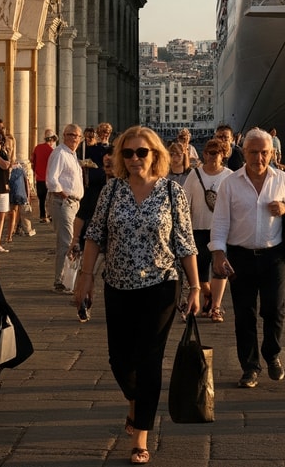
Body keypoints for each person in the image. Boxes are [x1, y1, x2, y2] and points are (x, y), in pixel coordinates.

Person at [73, 126, 199, 465]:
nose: (133, 159)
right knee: (119, 360)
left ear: (155, 155)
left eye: (141, 152)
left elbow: (185, 243)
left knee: (150, 361)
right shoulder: (111, 191)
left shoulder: (173, 192)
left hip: (161, 286)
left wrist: (196, 287)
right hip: (117, 284)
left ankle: (140, 435)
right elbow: (94, 235)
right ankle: (136, 399)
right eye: (127, 153)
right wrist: (85, 278)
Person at [210, 128, 285, 389]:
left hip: (274, 254)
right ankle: (250, 366)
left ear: (272, 153)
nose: (259, 158)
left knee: (274, 309)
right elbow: (220, 221)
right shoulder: (230, 183)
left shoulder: (282, 179)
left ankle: (272, 353)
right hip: (240, 255)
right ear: (244, 152)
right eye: (253, 152)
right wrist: (218, 253)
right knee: (244, 313)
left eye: (264, 153)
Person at [184, 137, 232, 322]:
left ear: (223, 155)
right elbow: (185, 201)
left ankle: (216, 307)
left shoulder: (229, 175)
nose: (213, 156)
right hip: (198, 228)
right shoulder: (194, 175)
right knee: (200, 271)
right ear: (203, 154)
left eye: (217, 153)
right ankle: (208, 294)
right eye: (209, 153)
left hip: (221, 229)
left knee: (220, 269)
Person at [46, 123, 85, 292]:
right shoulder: (60, 153)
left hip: (74, 202)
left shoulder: (72, 155)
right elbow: (52, 179)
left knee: (72, 240)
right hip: (64, 202)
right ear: (64, 136)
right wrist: (65, 196)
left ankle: (68, 280)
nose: (74, 138)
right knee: (66, 241)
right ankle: (60, 281)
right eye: (70, 135)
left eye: (77, 136)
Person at [32, 130, 56, 223]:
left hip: (39, 177)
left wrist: (35, 172)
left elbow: (33, 161)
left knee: (41, 198)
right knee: (50, 198)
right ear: (52, 140)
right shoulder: (52, 151)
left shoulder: (37, 148)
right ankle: (50, 215)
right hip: (49, 178)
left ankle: (42, 216)